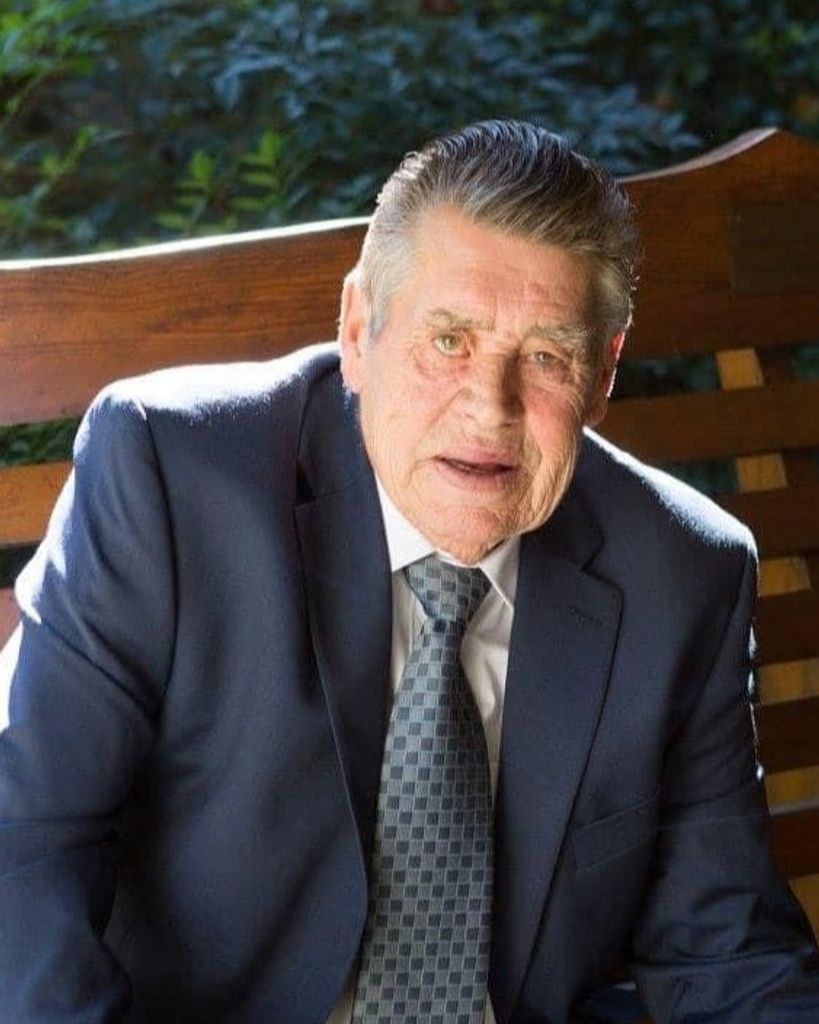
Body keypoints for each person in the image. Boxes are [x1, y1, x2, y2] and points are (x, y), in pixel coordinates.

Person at [1, 120, 817, 1024]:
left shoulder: (682, 574)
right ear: (358, 330)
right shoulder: (172, 475)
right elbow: (23, 843)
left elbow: (728, 956)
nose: (489, 409)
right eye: (449, 341)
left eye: (546, 358)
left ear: (601, 376)